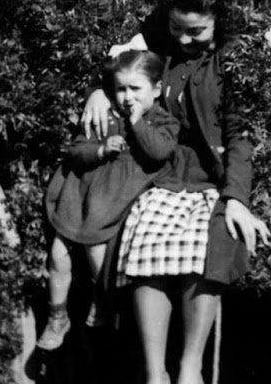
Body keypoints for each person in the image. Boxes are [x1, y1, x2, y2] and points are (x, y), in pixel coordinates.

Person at [82, 0, 271, 384]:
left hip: (210, 180)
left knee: (212, 239)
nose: (185, 40)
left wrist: (237, 198)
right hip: (160, 174)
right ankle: (155, 374)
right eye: (178, 30)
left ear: (216, 23)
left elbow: (240, 135)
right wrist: (99, 90)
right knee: (143, 239)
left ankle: (190, 366)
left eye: (197, 32)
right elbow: (126, 75)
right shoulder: (159, 52)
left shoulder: (231, 61)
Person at [38, 50, 183, 351]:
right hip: (82, 192)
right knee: (58, 254)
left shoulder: (162, 120)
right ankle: (57, 315)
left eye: (135, 89)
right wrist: (101, 149)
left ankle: (106, 305)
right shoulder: (104, 115)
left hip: (118, 194)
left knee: (97, 251)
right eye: (120, 89)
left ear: (156, 90)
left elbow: (159, 151)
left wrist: (138, 123)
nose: (127, 97)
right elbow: (76, 149)